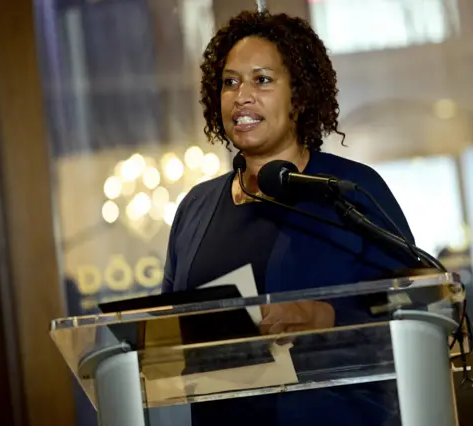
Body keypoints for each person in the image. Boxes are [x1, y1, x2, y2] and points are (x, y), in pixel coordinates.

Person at [162, 10, 416, 426]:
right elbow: (168, 336)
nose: (242, 95)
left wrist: (328, 318)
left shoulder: (349, 190)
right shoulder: (196, 207)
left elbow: (412, 316)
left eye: (262, 80)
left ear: (298, 95)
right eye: (230, 82)